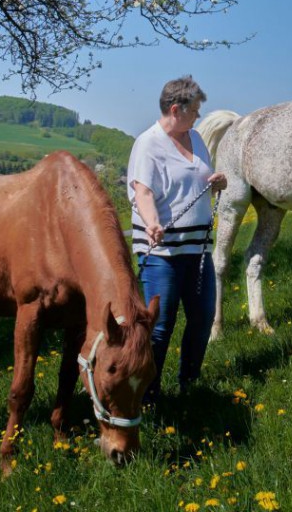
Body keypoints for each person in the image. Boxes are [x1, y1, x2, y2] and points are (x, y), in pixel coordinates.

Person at [127, 76, 227, 402]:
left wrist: (215, 182)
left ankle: (189, 383)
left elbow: (193, 180)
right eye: (195, 110)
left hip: (197, 250)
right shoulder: (148, 143)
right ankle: (147, 394)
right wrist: (152, 222)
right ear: (175, 109)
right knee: (160, 327)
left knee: (202, 319)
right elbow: (141, 191)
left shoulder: (196, 138)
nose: (198, 116)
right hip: (162, 254)